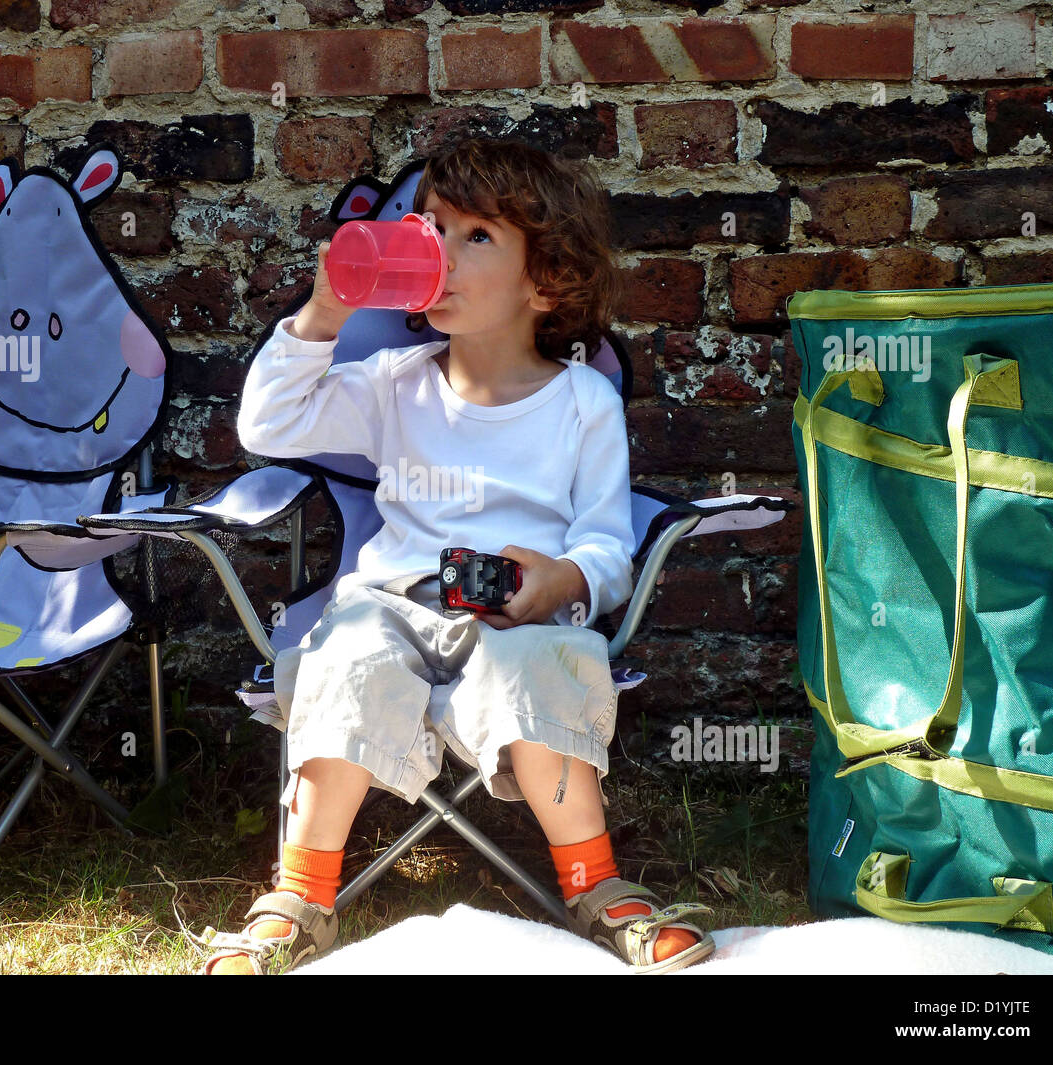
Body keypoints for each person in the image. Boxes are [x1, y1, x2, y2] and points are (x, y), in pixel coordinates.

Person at [202, 137, 714, 975]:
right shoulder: (393, 381)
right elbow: (267, 425)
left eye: (475, 236)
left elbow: (606, 543)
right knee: (345, 657)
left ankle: (598, 885)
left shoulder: (583, 400)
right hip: (394, 604)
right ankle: (298, 896)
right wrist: (323, 316)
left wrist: (563, 580)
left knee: (543, 666)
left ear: (544, 280)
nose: (435, 248)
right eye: (430, 225)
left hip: (516, 612)